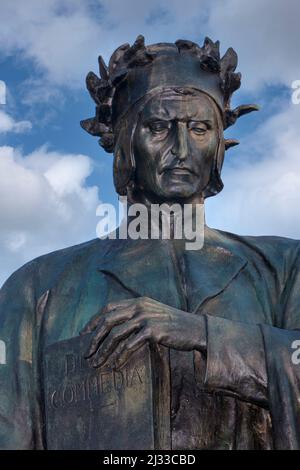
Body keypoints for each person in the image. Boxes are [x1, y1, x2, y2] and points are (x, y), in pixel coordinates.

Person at [0, 36, 300, 450]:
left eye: (199, 129)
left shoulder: (284, 266)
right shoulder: (36, 288)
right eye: (158, 127)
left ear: (218, 144)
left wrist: (203, 335)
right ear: (124, 141)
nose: (180, 150)